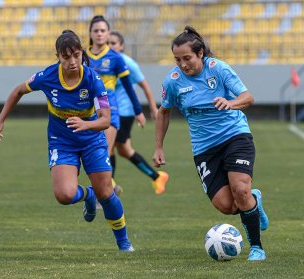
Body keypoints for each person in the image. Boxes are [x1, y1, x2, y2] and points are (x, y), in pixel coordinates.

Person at [0, 30, 134, 252]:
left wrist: (86, 124)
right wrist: (0, 121)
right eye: (66, 57)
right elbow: (19, 90)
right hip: (62, 142)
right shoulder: (47, 76)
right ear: (58, 56)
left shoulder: (93, 79)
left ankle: (124, 242)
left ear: (81, 53)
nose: (72, 61)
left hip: (92, 140)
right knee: (64, 195)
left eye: (76, 55)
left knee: (106, 192)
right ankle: (87, 194)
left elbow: (105, 120)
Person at [152, 26, 269, 261]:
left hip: (235, 136)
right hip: (204, 149)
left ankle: (257, 248)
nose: (183, 64)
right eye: (177, 59)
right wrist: (159, 147)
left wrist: (230, 102)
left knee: (240, 189)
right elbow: (163, 112)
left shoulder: (219, 69)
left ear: (201, 54)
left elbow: (248, 97)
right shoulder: (173, 82)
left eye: (187, 58)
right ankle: (254, 201)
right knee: (226, 205)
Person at [87, 15, 146, 193]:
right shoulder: (82, 56)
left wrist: (138, 111)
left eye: (102, 30)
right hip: (88, 110)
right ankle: (110, 186)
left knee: (102, 152)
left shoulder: (115, 58)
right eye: (96, 30)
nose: (99, 34)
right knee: (90, 154)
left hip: (109, 110)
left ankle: (101, 195)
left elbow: (129, 87)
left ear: (108, 33)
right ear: (90, 33)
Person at [108, 31, 169, 195]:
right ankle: (156, 176)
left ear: (121, 46)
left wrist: (152, 108)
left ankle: (107, 191)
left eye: (114, 43)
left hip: (123, 112)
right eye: (108, 43)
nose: (110, 46)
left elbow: (144, 85)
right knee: (124, 150)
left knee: (107, 148)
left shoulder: (128, 63)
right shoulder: (106, 62)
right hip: (112, 111)